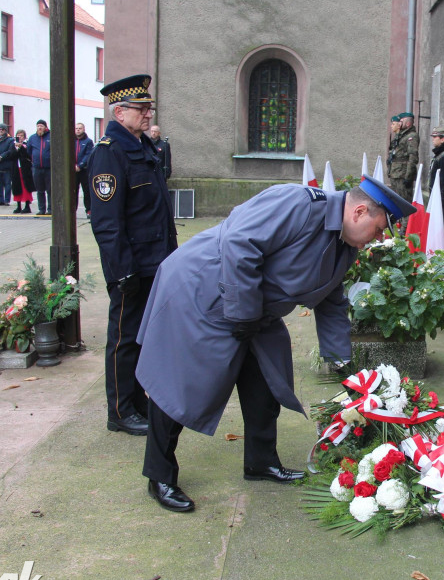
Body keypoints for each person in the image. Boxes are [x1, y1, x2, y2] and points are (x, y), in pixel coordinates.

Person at [136, 177, 415, 512]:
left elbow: (332, 301)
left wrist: (344, 363)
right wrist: (243, 313)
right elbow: (239, 242)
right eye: (380, 230)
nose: (378, 240)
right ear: (358, 212)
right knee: (180, 389)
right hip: (205, 292)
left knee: (267, 381)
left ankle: (260, 462)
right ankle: (160, 476)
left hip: (252, 308)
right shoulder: (297, 203)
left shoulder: (345, 246)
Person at [88, 75, 177, 437]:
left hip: (155, 263)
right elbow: (107, 223)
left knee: (144, 338)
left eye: (149, 108)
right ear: (119, 111)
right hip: (131, 268)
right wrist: (121, 270)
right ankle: (120, 411)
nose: (147, 114)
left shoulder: (145, 148)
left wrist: (172, 260)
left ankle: (138, 400)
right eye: (141, 109)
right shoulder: (109, 152)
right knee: (123, 339)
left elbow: (159, 214)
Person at [387, 111, 419, 200]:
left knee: (404, 201)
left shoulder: (412, 136)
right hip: (396, 173)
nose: (399, 123)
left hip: (403, 174)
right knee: (395, 200)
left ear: (408, 123)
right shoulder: (401, 135)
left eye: (401, 121)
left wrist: (408, 176)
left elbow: (412, 156)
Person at [27, 120, 52, 214]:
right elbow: (29, 151)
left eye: (41, 126)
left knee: (50, 190)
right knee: (40, 190)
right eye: (38, 126)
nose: (39, 128)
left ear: (45, 127)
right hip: (37, 168)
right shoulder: (32, 138)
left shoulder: (51, 136)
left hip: (49, 168)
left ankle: (50, 209)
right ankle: (41, 209)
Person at [11, 129, 34, 214]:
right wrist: (16, 148)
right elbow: (11, 155)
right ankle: (18, 206)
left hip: (25, 169)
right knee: (17, 187)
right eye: (18, 135)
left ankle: (27, 206)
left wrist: (21, 148)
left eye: (21, 135)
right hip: (16, 169)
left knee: (26, 187)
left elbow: (28, 155)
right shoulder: (13, 145)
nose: (20, 137)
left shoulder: (26, 145)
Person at [74, 123, 94, 216]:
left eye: (80, 128)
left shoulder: (88, 141)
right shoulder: (71, 140)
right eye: (76, 128)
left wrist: (80, 165)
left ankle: (89, 210)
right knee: (73, 191)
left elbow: (88, 155)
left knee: (87, 191)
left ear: (83, 129)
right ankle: (72, 210)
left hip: (84, 170)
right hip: (73, 171)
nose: (78, 130)